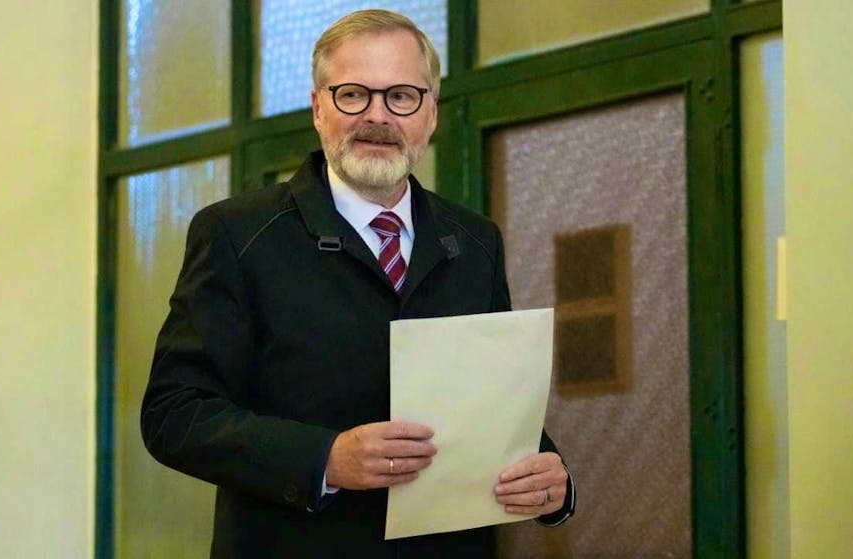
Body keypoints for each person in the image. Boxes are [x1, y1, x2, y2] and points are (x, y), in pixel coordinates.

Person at [141, 8, 574, 558]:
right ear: (319, 108)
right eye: (354, 95)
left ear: (431, 114)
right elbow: (174, 414)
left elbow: (488, 403)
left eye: (402, 96)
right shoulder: (237, 234)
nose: (378, 116)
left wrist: (550, 478)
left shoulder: (475, 241)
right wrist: (326, 459)